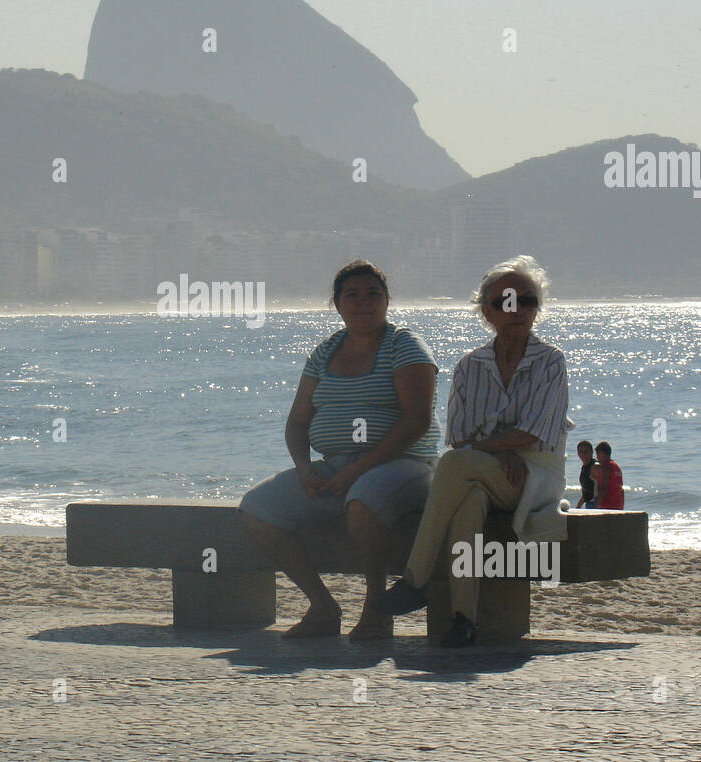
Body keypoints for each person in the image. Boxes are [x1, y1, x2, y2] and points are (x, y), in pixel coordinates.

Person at [373, 255, 572, 647]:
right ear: (486, 311)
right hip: (483, 469)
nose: (517, 310)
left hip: (535, 476)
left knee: (456, 464)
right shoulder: (470, 366)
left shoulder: (551, 362)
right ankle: (464, 619)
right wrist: (498, 452)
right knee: (468, 502)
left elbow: (534, 431)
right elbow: (458, 434)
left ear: (537, 308)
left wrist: (493, 449)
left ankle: (415, 578)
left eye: (527, 300)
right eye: (505, 302)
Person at [239, 260, 441, 639]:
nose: (363, 303)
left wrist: (360, 469)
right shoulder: (325, 351)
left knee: (364, 498)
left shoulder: (405, 346)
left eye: (373, 294)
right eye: (353, 295)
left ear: (387, 300)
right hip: (338, 467)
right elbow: (298, 421)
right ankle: (322, 606)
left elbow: (417, 420)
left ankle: (376, 609)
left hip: (405, 464)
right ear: (336, 303)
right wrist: (303, 467)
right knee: (258, 508)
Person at [592, 441, 624, 509]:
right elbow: (621, 489)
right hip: (618, 504)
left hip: (607, 505)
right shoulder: (616, 467)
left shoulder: (605, 466)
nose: (597, 457)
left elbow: (603, 488)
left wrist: (595, 506)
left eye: (598, 454)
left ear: (603, 453)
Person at [575, 439, 596, 508]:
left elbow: (589, 491)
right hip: (589, 503)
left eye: (586, 451)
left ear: (592, 452)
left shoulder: (595, 467)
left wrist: (578, 506)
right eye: (581, 452)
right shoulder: (585, 467)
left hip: (597, 503)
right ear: (578, 454)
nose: (584, 454)